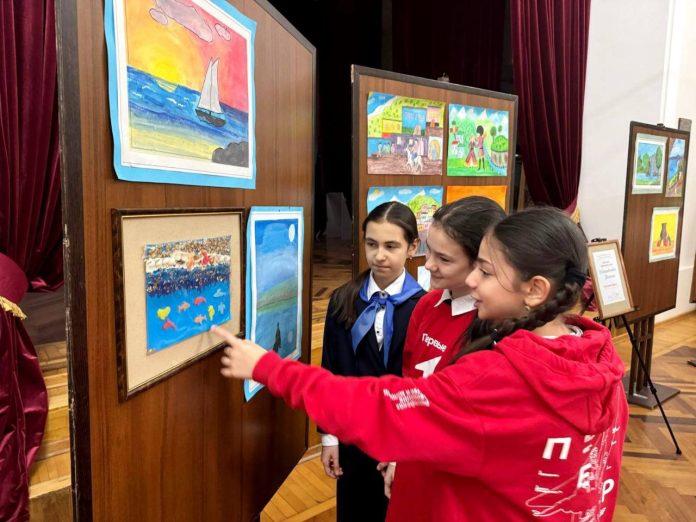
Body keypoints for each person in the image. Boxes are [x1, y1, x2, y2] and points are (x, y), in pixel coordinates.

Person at [214, 206, 629, 521]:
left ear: (535, 289)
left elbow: (379, 405)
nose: (471, 281)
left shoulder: (494, 379)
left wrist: (268, 367)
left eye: (485, 271)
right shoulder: (601, 363)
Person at [379, 196, 505, 516]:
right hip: (414, 455)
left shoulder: (496, 329)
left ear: (482, 264)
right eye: (429, 250)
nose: (428, 264)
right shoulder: (428, 304)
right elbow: (408, 381)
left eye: (444, 259)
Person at [318, 201, 425, 521]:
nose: (379, 255)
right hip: (353, 434)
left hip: (400, 440)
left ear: (412, 247)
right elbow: (330, 371)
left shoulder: (424, 308)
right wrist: (329, 437)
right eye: (371, 244)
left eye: (391, 246)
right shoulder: (344, 298)